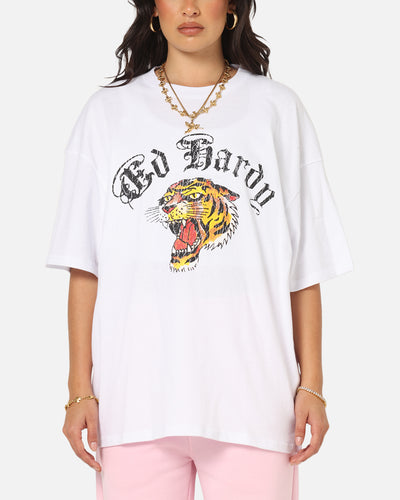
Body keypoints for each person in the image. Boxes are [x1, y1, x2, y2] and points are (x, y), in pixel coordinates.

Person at [45, 1, 354, 499]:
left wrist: (312, 385)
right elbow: (85, 267)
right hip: (132, 403)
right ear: (153, 9)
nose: (189, 7)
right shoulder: (106, 114)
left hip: (256, 403)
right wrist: (78, 390)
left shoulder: (278, 109)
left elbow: (304, 267)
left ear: (232, 7)